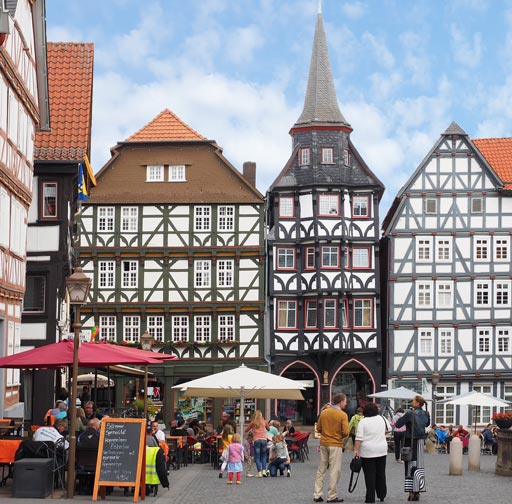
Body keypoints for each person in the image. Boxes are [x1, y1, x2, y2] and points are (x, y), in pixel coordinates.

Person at [313, 392, 349, 504]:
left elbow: (318, 428)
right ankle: (331, 496)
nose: (346, 403)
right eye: (345, 401)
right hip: (336, 444)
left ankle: (317, 494)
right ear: (341, 402)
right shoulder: (342, 415)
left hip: (324, 443)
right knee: (334, 470)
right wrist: (338, 436)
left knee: (321, 469)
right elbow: (346, 432)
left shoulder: (324, 412)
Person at [395, 395, 430, 502]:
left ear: (418, 403)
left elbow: (398, 424)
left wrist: (405, 416)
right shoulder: (425, 413)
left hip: (410, 442)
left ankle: (411, 491)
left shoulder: (410, 413)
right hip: (420, 442)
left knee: (410, 466)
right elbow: (427, 424)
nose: (412, 402)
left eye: (414, 401)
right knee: (419, 466)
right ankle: (418, 491)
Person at [353, 402, 390, 503]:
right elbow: (389, 430)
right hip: (382, 450)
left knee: (369, 474)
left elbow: (359, 438)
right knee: (381, 473)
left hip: (367, 451)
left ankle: (370, 497)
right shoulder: (383, 419)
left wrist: (356, 450)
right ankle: (382, 494)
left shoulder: (363, 422)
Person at [244, 409, 270, 478]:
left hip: (256, 440)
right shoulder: (264, 421)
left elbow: (246, 430)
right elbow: (269, 429)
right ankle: (264, 471)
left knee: (257, 457)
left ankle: (259, 472)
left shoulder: (253, 422)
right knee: (264, 456)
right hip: (264, 440)